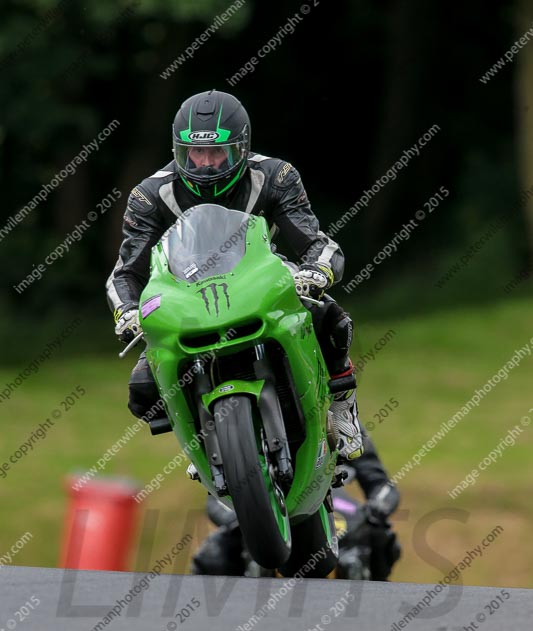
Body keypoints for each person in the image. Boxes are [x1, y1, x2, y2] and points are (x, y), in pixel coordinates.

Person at [106, 89, 363, 460]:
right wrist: (127, 312)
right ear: (179, 150)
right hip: (185, 298)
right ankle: (198, 445)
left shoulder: (276, 175)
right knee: (143, 388)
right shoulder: (150, 195)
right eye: (196, 152)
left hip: (259, 279)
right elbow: (125, 272)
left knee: (331, 318)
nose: (206, 164)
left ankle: (343, 408)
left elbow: (317, 242)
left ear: (240, 149)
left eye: (216, 153)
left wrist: (316, 271)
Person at [191, 425, 401, 580]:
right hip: (268, 509)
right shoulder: (243, 429)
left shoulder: (341, 423)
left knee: (383, 538)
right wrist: (246, 514)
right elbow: (214, 498)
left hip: (333, 504)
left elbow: (382, 486)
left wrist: (376, 509)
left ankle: (374, 605)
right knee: (215, 552)